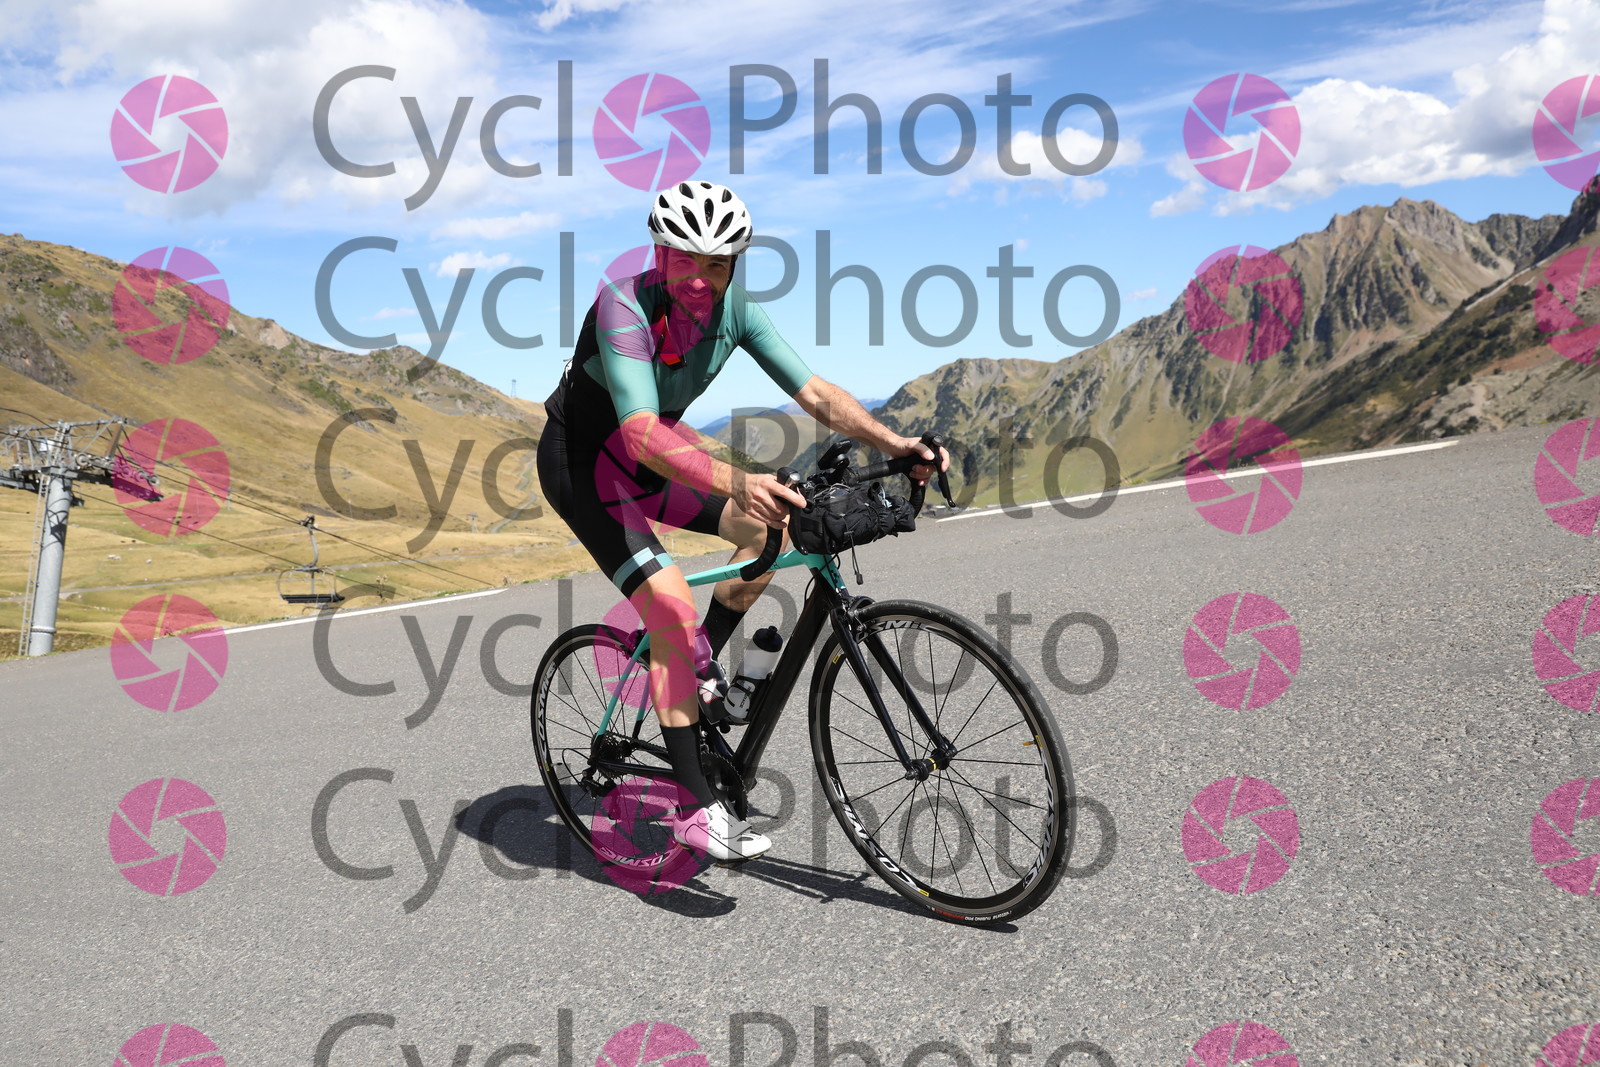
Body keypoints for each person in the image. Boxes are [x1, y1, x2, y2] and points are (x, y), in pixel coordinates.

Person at [536, 180, 947, 862]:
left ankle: (699, 670)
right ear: (660, 256)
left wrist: (896, 443)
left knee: (767, 534)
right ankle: (694, 811)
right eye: (686, 260)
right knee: (670, 604)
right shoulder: (622, 307)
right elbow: (639, 431)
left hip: (650, 464)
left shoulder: (737, 312)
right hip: (585, 468)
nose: (702, 278)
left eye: (719, 263)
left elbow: (816, 392)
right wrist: (738, 481)